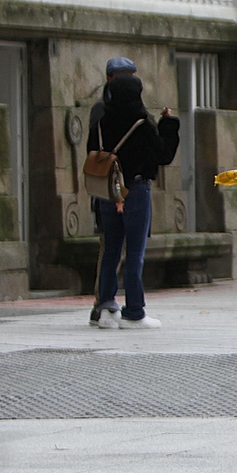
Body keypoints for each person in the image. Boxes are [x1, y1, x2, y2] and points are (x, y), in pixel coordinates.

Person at [87, 74, 179, 329]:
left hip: (108, 190)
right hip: (135, 190)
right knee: (135, 251)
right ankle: (134, 311)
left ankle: (106, 307)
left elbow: (92, 152)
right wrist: (168, 124)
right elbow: (163, 155)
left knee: (111, 251)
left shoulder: (101, 121)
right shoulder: (141, 123)